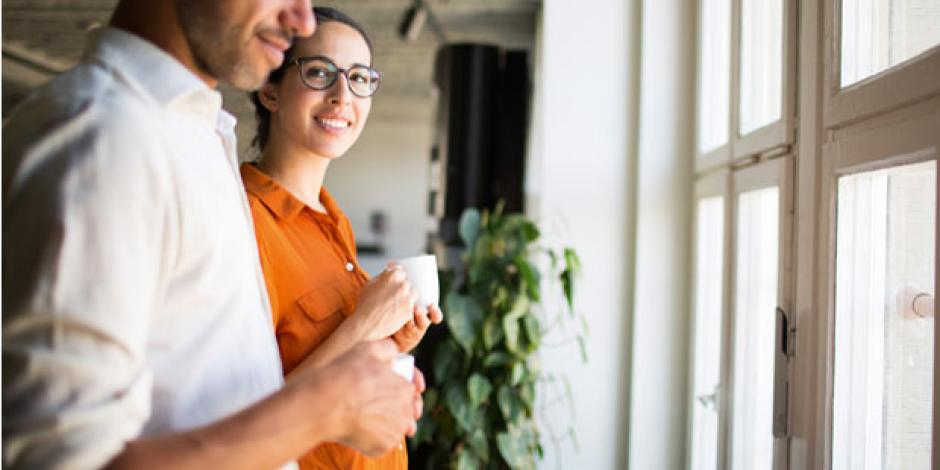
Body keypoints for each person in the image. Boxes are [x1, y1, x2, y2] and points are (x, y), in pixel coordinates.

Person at [2, 1, 423, 469]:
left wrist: (363, 369)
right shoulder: (105, 139)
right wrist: (328, 406)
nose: (301, 20)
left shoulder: (199, 136)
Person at [242, 6, 443, 469]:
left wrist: (389, 342)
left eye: (359, 78)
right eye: (319, 72)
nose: (342, 95)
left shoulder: (334, 219)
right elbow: (246, 420)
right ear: (270, 89)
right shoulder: (244, 223)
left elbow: (328, 362)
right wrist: (366, 325)